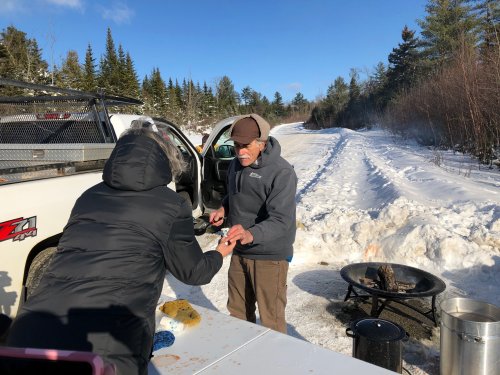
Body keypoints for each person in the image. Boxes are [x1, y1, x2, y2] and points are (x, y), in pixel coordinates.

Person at [7, 117, 235, 375]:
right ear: (165, 160)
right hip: (107, 345)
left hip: (32, 332)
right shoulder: (171, 204)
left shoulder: (89, 195)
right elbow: (194, 272)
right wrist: (219, 251)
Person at [209, 114, 297, 334]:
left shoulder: (282, 173)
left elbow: (281, 221)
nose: (240, 152)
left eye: (246, 146)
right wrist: (224, 209)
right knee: (237, 312)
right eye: (236, 146)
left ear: (262, 143)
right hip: (239, 250)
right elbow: (234, 195)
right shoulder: (235, 166)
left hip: (270, 256)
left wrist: (250, 234)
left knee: (271, 321)